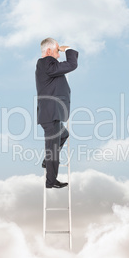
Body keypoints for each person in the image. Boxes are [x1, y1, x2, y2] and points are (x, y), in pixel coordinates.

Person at [35, 38, 79, 189]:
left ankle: (47, 162)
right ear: (48, 52)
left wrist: (60, 50)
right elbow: (72, 64)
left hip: (52, 114)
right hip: (50, 114)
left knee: (64, 135)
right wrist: (67, 49)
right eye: (56, 51)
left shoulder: (48, 65)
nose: (58, 56)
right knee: (52, 149)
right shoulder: (46, 63)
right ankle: (51, 181)